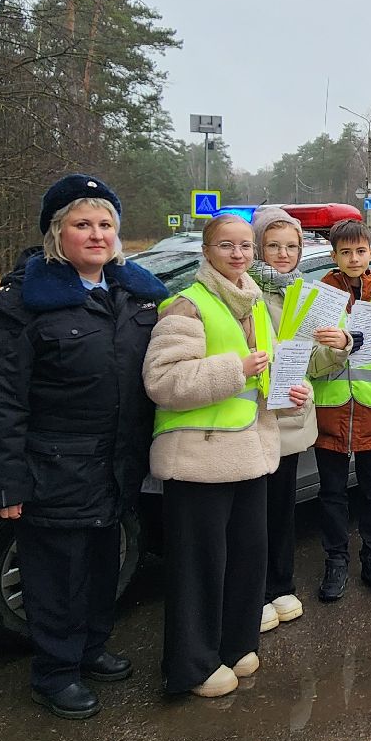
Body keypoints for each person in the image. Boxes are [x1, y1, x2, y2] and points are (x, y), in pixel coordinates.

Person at [0, 174, 167, 721]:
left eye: (106, 224)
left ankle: (91, 647)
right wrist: (3, 484)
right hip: (54, 466)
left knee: (106, 566)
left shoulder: (134, 295)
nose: (97, 234)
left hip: (117, 466)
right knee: (55, 577)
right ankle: (53, 673)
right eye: (83, 224)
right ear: (57, 233)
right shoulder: (17, 308)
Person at [142, 212, 283, 698]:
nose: (238, 254)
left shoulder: (256, 303)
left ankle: (235, 643)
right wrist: (235, 369)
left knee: (247, 557)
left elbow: (263, 373)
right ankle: (192, 665)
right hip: (198, 458)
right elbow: (162, 383)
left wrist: (287, 392)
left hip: (250, 451)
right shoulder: (186, 306)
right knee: (199, 568)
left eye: (245, 246)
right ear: (207, 251)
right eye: (227, 245)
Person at [249, 207, 351, 632]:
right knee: (250, 515)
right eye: (273, 245)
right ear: (258, 247)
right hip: (251, 419)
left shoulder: (308, 296)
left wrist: (340, 345)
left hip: (290, 417)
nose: (283, 254)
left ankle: (281, 585)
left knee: (281, 509)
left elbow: (315, 362)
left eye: (291, 246)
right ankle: (251, 594)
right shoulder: (243, 291)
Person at [310, 218, 371, 599]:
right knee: (332, 494)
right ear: (334, 255)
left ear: (370, 252)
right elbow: (307, 350)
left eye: (361, 251)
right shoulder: (320, 294)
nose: (354, 258)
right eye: (346, 252)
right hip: (331, 410)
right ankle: (336, 561)